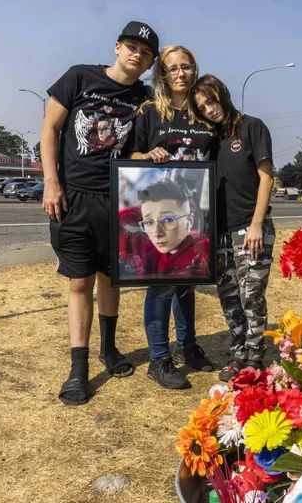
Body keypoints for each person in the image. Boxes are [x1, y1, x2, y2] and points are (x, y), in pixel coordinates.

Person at [41, 21, 158, 405]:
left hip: (119, 200)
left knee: (111, 278)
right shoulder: (79, 77)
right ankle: (78, 369)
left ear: (149, 63)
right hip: (73, 197)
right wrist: (51, 182)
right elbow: (49, 129)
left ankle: (109, 349)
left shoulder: (144, 98)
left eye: (145, 53)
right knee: (80, 282)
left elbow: (144, 145)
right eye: (132, 46)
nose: (137, 54)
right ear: (117, 47)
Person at [129, 45, 219, 389]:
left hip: (197, 211)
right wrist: (146, 155)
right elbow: (130, 156)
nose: (180, 73)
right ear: (162, 75)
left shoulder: (204, 110)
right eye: (172, 68)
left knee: (187, 281)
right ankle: (158, 359)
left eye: (186, 66)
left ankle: (188, 345)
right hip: (162, 212)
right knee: (161, 284)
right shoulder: (151, 111)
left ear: (195, 69)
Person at [188, 74, 275, 382]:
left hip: (250, 230)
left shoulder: (252, 127)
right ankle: (238, 354)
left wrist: (256, 224)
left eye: (211, 101)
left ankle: (255, 359)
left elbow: (266, 178)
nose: (210, 110)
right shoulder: (211, 140)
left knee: (251, 297)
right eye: (202, 108)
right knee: (229, 298)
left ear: (222, 95)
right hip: (219, 233)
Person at [118, 178, 210, 278]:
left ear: (189, 220)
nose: (157, 233)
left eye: (167, 220)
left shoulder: (204, 251)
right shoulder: (151, 254)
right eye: (149, 222)